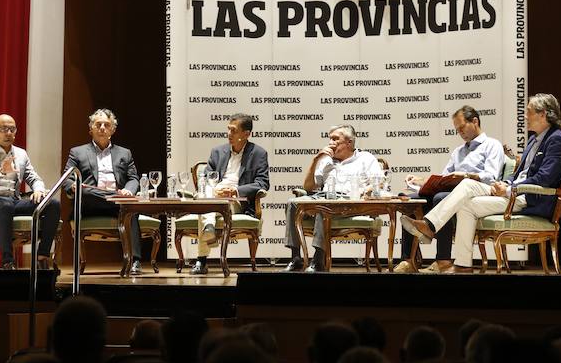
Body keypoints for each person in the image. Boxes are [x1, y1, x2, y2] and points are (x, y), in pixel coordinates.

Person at [400, 93, 561, 273]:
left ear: (543, 114)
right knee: (466, 201)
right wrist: (505, 183)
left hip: (530, 198)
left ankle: (430, 226)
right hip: (514, 193)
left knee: (465, 191)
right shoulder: (533, 139)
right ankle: (463, 264)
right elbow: (519, 173)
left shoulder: (556, 139)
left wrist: (509, 189)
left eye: (528, 112)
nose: (525, 116)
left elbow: (544, 178)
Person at [397, 105, 504, 274]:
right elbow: (444, 177)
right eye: (457, 129)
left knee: (440, 197)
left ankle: (443, 260)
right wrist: (421, 181)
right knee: (411, 200)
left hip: (477, 191)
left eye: (461, 127)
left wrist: (466, 175)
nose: (459, 132)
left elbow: (491, 177)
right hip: (453, 190)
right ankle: (409, 260)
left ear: (475, 121)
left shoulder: (492, 145)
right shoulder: (458, 151)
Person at [283, 124, 383, 272]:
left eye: (335, 139)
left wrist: (367, 191)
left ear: (349, 142)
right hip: (323, 197)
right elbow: (308, 187)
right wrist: (315, 159)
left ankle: (318, 259)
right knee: (293, 203)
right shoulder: (326, 160)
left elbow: (379, 182)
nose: (330, 143)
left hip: (349, 202)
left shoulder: (365, 158)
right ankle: (296, 257)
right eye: (329, 139)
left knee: (322, 207)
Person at [0, 114, 60, 270]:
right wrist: (1, 171)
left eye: (11, 129)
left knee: (52, 204)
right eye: (3, 129)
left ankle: (42, 255)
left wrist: (38, 189)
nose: (8, 133)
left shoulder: (21, 154)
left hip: (14, 200)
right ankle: (7, 261)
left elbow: (34, 178)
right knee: (5, 206)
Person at [63, 109, 144, 275]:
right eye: (97, 124)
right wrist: (72, 186)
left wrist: (128, 191)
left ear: (113, 130)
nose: (102, 128)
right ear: (90, 128)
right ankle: (112, 196)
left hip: (119, 203)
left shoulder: (124, 153)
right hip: (90, 203)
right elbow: (67, 179)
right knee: (84, 190)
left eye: (106, 125)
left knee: (132, 209)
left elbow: (133, 178)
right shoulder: (77, 152)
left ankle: (135, 261)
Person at [190, 114, 270, 275]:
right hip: (214, 194)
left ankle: (202, 258)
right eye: (228, 130)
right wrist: (216, 189)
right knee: (205, 195)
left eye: (233, 131)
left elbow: (262, 183)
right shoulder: (218, 152)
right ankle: (209, 226)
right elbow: (204, 178)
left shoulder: (258, 153)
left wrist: (235, 191)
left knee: (204, 204)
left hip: (236, 201)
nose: (229, 134)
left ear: (246, 134)